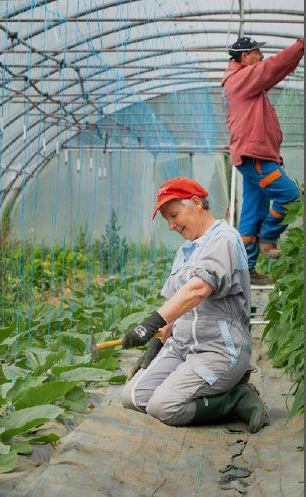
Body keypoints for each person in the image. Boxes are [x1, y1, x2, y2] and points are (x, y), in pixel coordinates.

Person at [121, 177, 267, 434]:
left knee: (163, 407)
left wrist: (149, 324)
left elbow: (197, 290)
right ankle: (212, 393)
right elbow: (174, 303)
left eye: (174, 215)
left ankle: (236, 399)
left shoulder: (225, 239)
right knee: (134, 396)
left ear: (196, 203)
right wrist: (155, 345)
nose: (171, 225)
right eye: (167, 219)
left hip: (221, 351)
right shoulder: (187, 251)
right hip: (183, 348)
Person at [222, 36, 304, 285]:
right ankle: (268, 237)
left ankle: (247, 268)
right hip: (255, 156)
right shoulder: (242, 78)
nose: (261, 57)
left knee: (252, 212)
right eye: (257, 52)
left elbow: (271, 71)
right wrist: (301, 45)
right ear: (244, 57)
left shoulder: (238, 82)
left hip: (250, 156)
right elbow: (273, 67)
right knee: (290, 195)